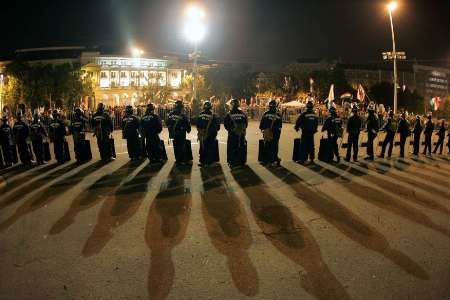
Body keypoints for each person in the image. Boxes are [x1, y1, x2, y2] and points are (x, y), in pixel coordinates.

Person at [224, 98, 248, 168]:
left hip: (232, 134)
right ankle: (241, 161)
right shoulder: (243, 114)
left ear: (232, 105)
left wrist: (231, 129)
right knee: (241, 147)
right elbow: (246, 124)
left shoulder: (229, 114)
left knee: (232, 147)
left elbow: (226, 125)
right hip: (242, 135)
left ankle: (232, 162)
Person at [167, 100, 192, 165]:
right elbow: (187, 125)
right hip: (181, 133)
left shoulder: (170, 114)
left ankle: (178, 159)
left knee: (175, 146)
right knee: (181, 146)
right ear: (181, 107)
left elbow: (167, 123)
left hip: (173, 133)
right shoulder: (183, 115)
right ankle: (182, 160)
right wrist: (188, 130)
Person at [197, 100, 220, 167]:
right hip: (211, 135)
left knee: (202, 147)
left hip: (202, 134)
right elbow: (218, 127)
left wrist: (200, 132)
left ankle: (202, 161)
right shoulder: (214, 115)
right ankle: (210, 162)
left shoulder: (200, 114)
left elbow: (198, 124)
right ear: (211, 107)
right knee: (210, 148)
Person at [259, 99, 282, 166]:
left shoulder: (266, 113)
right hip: (275, 133)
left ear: (269, 106)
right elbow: (280, 126)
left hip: (267, 132)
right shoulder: (278, 115)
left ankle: (266, 160)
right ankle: (274, 159)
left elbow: (261, 124)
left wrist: (262, 130)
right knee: (274, 146)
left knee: (267, 146)